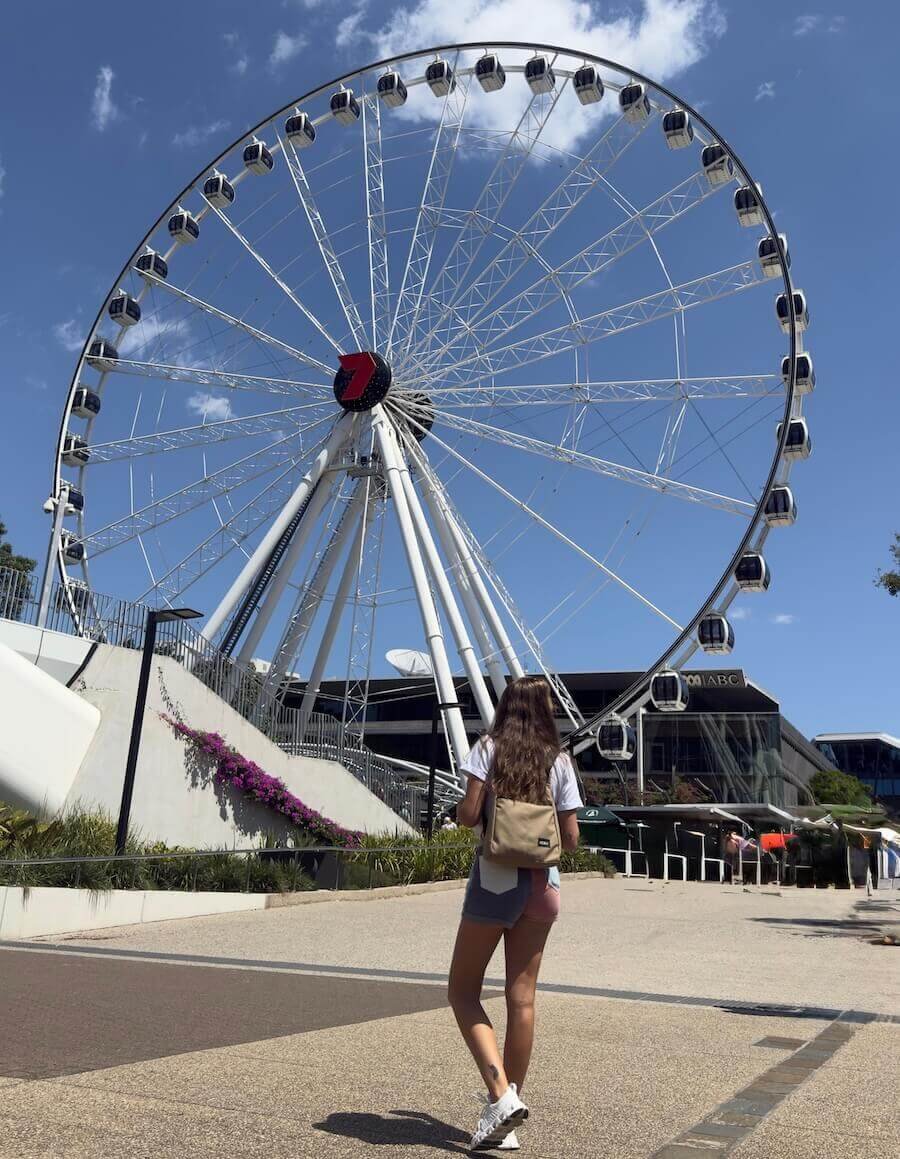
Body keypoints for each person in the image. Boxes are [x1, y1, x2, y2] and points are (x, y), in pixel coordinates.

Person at [448, 676, 583, 1151]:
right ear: (546, 710)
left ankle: (500, 1095)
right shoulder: (559, 761)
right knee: (522, 999)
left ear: (506, 706)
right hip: (545, 887)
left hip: (496, 882)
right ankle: (507, 1116)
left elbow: (468, 815)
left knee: (463, 991)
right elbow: (571, 838)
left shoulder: (488, 749)